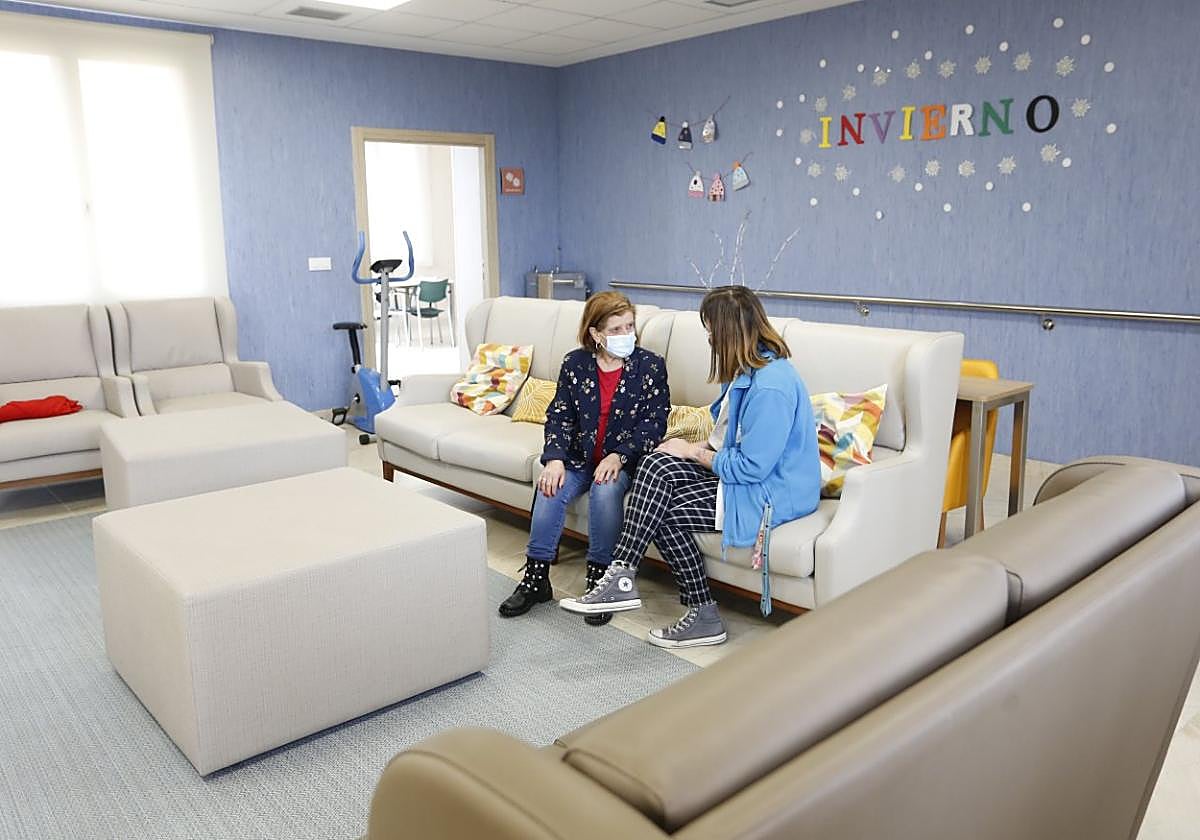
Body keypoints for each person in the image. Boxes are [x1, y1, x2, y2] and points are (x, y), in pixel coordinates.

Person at [560, 285, 820, 648]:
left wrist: (692, 453)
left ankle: (695, 611)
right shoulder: (746, 371)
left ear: (728, 331)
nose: (709, 339)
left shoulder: (771, 387)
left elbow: (752, 468)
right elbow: (725, 441)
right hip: (742, 479)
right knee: (656, 462)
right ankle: (625, 577)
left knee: (660, 509)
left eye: (711, 330)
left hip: (768, 494)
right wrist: (686, 449)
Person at [499, 292, 670, 625]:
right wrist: (554, 459)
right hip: (578, 458)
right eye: (616, 329)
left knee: (605, 491)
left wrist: (619, 456)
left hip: (623, 461)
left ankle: (601, 581)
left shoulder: (650, 366)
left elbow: (655, 423)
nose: (626, 334)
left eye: (630, 326)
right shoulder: (575, 364)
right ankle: (536, 580)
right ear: (596, 333)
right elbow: (559, 416)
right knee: (550, 486)